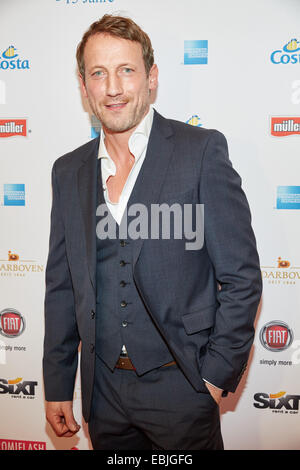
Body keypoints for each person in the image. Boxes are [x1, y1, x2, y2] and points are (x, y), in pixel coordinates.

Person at [43, 14, 262, 450]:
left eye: (126, 70)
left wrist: (213, 378)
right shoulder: (68, 171)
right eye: (98, 74)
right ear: (84, 86)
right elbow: (63, 287)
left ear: (151, 77)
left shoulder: (200, 152)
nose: (113, 88)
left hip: (182, 387)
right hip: (101, 393)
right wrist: (57, 383)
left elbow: (242, 278)